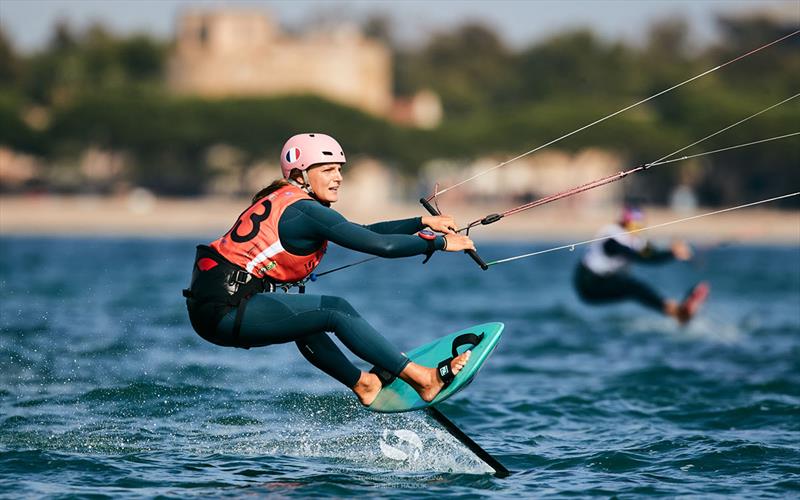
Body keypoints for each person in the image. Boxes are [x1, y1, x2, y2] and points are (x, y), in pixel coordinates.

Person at [183, 133, 477, 406]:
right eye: (327, 170)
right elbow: (381, 246)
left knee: (307, 318)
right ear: (300, 175)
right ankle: (423, 379)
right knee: (335, 309)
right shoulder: (304, 210)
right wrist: (438, 244)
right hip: (228, 308)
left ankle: (364, 384)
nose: (337, 178)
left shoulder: (288, 202)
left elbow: (360, 231)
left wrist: (420, 223)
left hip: (215, 307)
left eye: (339, 170)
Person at [573, 205, 709, 324]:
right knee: (634, 288)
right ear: (626, 224)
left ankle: (677, 313)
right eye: (634, 226)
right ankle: (675, 311)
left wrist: (674, 251)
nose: (637, 231)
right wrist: (671, 253)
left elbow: (651, 254)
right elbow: (640, 257)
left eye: (640, 226)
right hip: (588, 284)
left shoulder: (634, 240)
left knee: (634, 289)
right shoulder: (611, 238)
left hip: (605, 280)